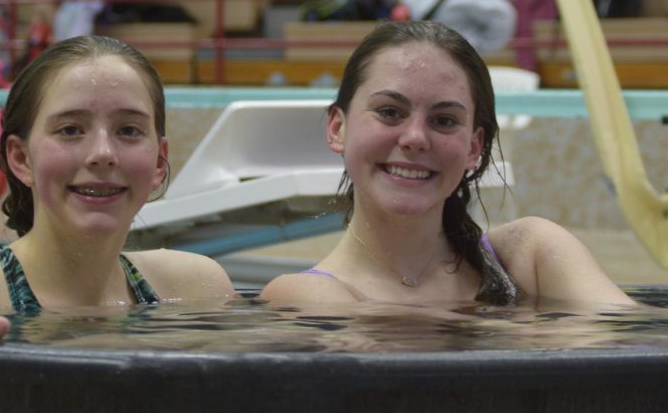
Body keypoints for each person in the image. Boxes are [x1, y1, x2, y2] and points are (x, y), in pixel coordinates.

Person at [0, 35, 236, 395]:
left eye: (128, 130)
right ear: (20, 158)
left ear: (159, 161)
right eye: (70, 130)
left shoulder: (194, 287)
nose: (102, 153)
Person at [261, 21, 633, 307]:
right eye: (390, 112)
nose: (415, 138)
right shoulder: (304, 296)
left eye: (444, 120)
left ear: (474, 147)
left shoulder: (529, 256)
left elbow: (640, 348)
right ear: (338, 128)